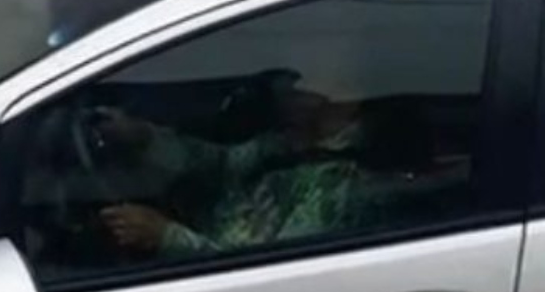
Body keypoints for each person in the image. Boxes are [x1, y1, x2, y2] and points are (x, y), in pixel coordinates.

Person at [91, 80, 389, 260]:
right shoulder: (288, 143)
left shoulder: (339, 181)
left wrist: (165, 236)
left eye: (305, 79)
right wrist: (143, 137)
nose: (286, 89)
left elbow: (275, 274)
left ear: (345, 94)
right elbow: (220, 164)